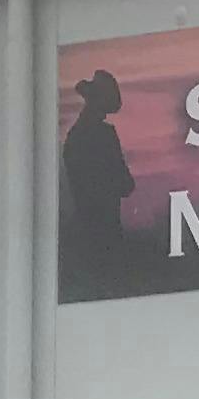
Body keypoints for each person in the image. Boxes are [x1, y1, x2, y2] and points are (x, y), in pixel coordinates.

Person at [61, 69, 135, 283]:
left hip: (87, 224)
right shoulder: (103, 135)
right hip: (104, 225)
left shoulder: (75, 136)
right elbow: (125, 184)